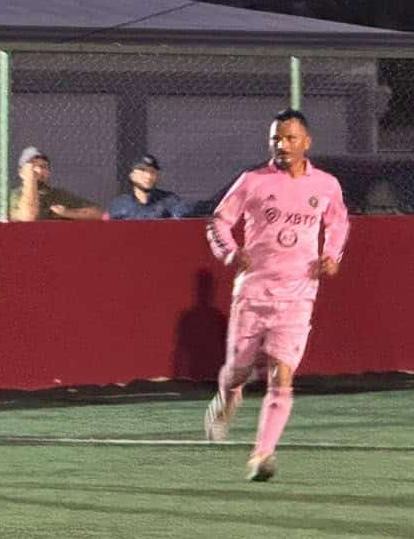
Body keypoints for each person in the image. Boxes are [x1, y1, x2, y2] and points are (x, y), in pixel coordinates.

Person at [202, 109, 349, 482]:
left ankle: (262, 455)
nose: (282, 145)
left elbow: (338, 223)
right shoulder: (252, 181)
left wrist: (331, 257)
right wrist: (231, 253)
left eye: (289, 138)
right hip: (253, 293)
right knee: (238, 373)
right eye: (276, 139)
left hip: (298, 295)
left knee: (282, 376)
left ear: (306, 142)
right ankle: (226, 400)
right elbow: (218, 222)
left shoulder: (326, 185)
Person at [9, 147, 102, 221]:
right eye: (33, 165)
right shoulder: (16, 195)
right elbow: (28, 217)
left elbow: (98, 214)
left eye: (43, 166)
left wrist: (67, 212)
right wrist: (30, 178)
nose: (39, 170)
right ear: (21, 172)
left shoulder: (58, 194)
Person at [107, 154, 191, 220]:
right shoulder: (120, 204)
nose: (148, 176)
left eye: (152, 172)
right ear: (132, 175)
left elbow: (183, 216)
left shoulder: (170, 201)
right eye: (142, 170)